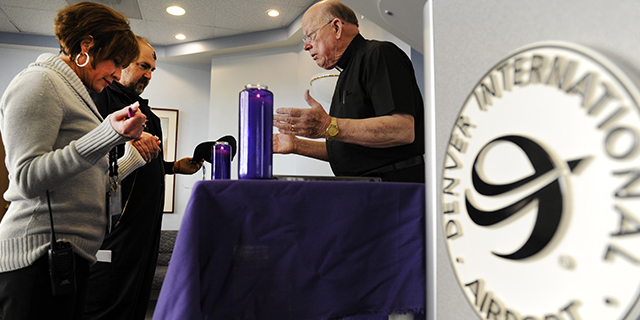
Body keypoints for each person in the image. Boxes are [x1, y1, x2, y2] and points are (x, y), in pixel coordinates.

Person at [0, 2, 147, 319]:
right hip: (35, 258)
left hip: (69, 257)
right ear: (87, 45)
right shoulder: (40, 83)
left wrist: (133, 156)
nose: (118, 74)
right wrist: (108, 134)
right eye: (115, 61)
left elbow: (84, 179)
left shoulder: (76, 93)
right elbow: (26, 178)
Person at [83, 36, 203, 320]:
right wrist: (125, 140)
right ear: (121, 61)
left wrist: (173, 167)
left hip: (145, 229)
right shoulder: (99, 101)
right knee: (106, 301)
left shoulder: (147, 113)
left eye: (152, 70)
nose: (148, 75)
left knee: (134, 301)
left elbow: (144, 164)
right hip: (113, 228)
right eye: (143, 66)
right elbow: (89, 159)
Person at [272, 0, 425, 183]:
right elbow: (346, 151)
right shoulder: (344, 75)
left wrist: (328, 126)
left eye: (310, 36)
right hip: (367, 188)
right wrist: (297, 144)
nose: (306, 46)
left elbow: (403, 130)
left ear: (336, 27)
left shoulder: (378, 54)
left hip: (395, 187)